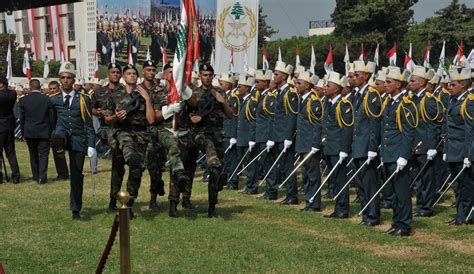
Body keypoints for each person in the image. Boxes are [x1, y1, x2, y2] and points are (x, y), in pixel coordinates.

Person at [104, 64, 155, 218]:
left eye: (134, 73)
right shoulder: (114, 95)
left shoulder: (144, 94)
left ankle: (129, 203)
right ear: (123, 77)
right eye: (128, 73)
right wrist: (115, 117)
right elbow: (107, 119)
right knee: (125, 165)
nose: (131, 75)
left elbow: (151, 120)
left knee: (137, 169)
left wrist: (147, 100)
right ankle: (114, 199)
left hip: (141, 135)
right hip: (123, 133)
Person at [49, 62, 96, 220]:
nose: (66, 80)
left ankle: (75, 208)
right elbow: (51, 121)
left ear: (73, 79)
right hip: (62, 137)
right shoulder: (53, 100)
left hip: (78, 139)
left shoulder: (83, 99)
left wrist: (91, 145)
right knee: (58, 134)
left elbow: (89, 124)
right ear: (59, 79)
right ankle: (59, 149)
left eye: (69, 78)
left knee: (76, 174)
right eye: (63, 78)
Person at [188, 64, 234, 218]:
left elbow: (230, 115)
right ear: (200, 76)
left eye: (209, 74)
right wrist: (192, 118)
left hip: (218, 134)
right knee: (211, 154)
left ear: (213, 76)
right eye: (204, 74)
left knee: (216, 171)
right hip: (201, 133)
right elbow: (186, 112)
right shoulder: (194, 93)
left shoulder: (220, 92)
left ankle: (212, 207)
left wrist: (222, 102)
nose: (207, 77)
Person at [380, 66, 417, 236]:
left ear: (398, 84)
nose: (385, 85)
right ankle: (397, 221)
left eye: (389, 82)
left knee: (402, 192)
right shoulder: (390, 101)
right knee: (393, 192)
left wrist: (403, 156)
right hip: (389, 153)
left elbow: (408, 133)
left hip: (398, 154)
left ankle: (405, 225)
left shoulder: (405, 103)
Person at [90, 63, 126, 211]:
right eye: (113, 72)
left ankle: (115, 197)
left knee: (118, 166)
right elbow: (91, 107)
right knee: (117, 159)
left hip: (122, 128)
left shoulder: (125, 91)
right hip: (106, 129)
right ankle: (113, 199)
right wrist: (97, 112)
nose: (115, 74)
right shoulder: (99, 92)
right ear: (108, 75)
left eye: (118, 72)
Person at [407, 66, 442, 218]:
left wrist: (432, 147)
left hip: (425, 145)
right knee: (418, 177)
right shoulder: (413, 99)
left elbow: (432, 126)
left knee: (426, 178)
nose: (410, 83)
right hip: (414, 144)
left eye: (413, 81)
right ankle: (421, 204)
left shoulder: (427, 101)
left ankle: (427, 207)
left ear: (422, 83)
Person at [351, 60, 382, 226]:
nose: (354, 77)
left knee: (370, 184)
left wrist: (372, 148)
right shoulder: (358, 94)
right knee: (360, 183)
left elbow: (374, 124)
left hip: (366, 146)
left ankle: (373, 215)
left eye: (357, 75)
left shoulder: (372, 94)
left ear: (366, 76)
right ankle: (365, 212)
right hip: (358, 145)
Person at [266, 61, 300, 205]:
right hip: (278, 135)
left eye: (276, 74)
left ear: (284, 76)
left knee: (288, 166)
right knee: (281, 166)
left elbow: (291, 116)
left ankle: (292, 195)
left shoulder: (290, 92)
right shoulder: (280, 92)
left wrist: (288, 137)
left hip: (285, 136)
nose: (274, 77)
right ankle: (287, 193)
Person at [443, 67, 473, 225]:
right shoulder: (453, 100)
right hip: (453, 149)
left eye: (452, 84)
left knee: (465, 185)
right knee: (457, 184)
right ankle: (460, 213)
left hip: (462, 150)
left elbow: (470, 131)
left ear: (463, 85)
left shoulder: (469, 102)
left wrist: (469, 155)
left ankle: (466, 216)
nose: (449, 87)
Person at [321, 71, 353, 219]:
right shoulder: (329, 103)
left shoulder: (343, 104)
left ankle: (343, 209)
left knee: (341, 179)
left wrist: (344, 149)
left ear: (336, 89)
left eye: (328, 85)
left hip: (338, 148)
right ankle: (338, 207)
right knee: (334, 178)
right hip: (329, 147)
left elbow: (346, 129)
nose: (324, 88)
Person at [294, 72, 323, 211]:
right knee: (306, 174)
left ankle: (315, 203)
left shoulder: (313, 100)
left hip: (310, 144)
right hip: (303, 143)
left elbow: (317, 125)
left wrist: (315, 145)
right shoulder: (303, 99)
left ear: (308, 85)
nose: (296, 85)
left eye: (299, 83)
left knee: (313, 175)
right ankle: (309, 201)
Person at [19, 79, 53, 184]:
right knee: (43, 154)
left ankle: (35, 175)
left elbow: (22, 118)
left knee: (33, 154)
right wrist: (51, 130)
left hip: (29, 130)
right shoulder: (47, 99)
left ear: (30, 87)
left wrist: (22, 131)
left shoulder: (24, 100)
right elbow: (51, 117)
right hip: (43, 130)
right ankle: (42, 176)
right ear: (40, 87)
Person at [0, 76, 20, 184]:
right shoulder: (12, 94)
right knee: (11, 152)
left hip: (1, 125)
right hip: (9, 124)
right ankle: (16, 175)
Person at [48, 81, 70, 180]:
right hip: (55, 130)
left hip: (64, 128)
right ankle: (62, 174)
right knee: (58, 153)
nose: (52, 91)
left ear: (59, 88)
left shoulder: (63, 98)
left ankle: (65, 174)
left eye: (54, 88)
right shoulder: (50, 100)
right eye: (50, 89)